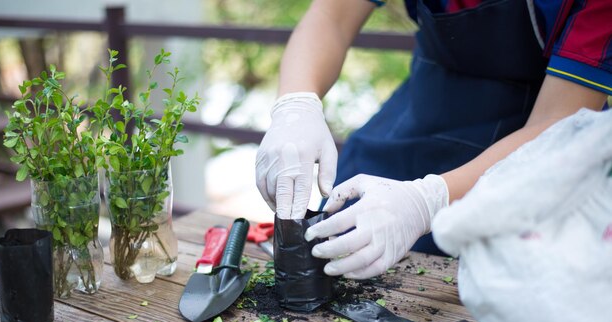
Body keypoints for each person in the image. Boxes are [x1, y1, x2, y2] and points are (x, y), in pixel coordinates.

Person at [255, 0, 612, 279]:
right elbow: (330, 17)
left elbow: (556, 123)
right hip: (430, 95)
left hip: (533, 133)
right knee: (340, 214)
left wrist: (428, 201)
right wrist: (296, 103)